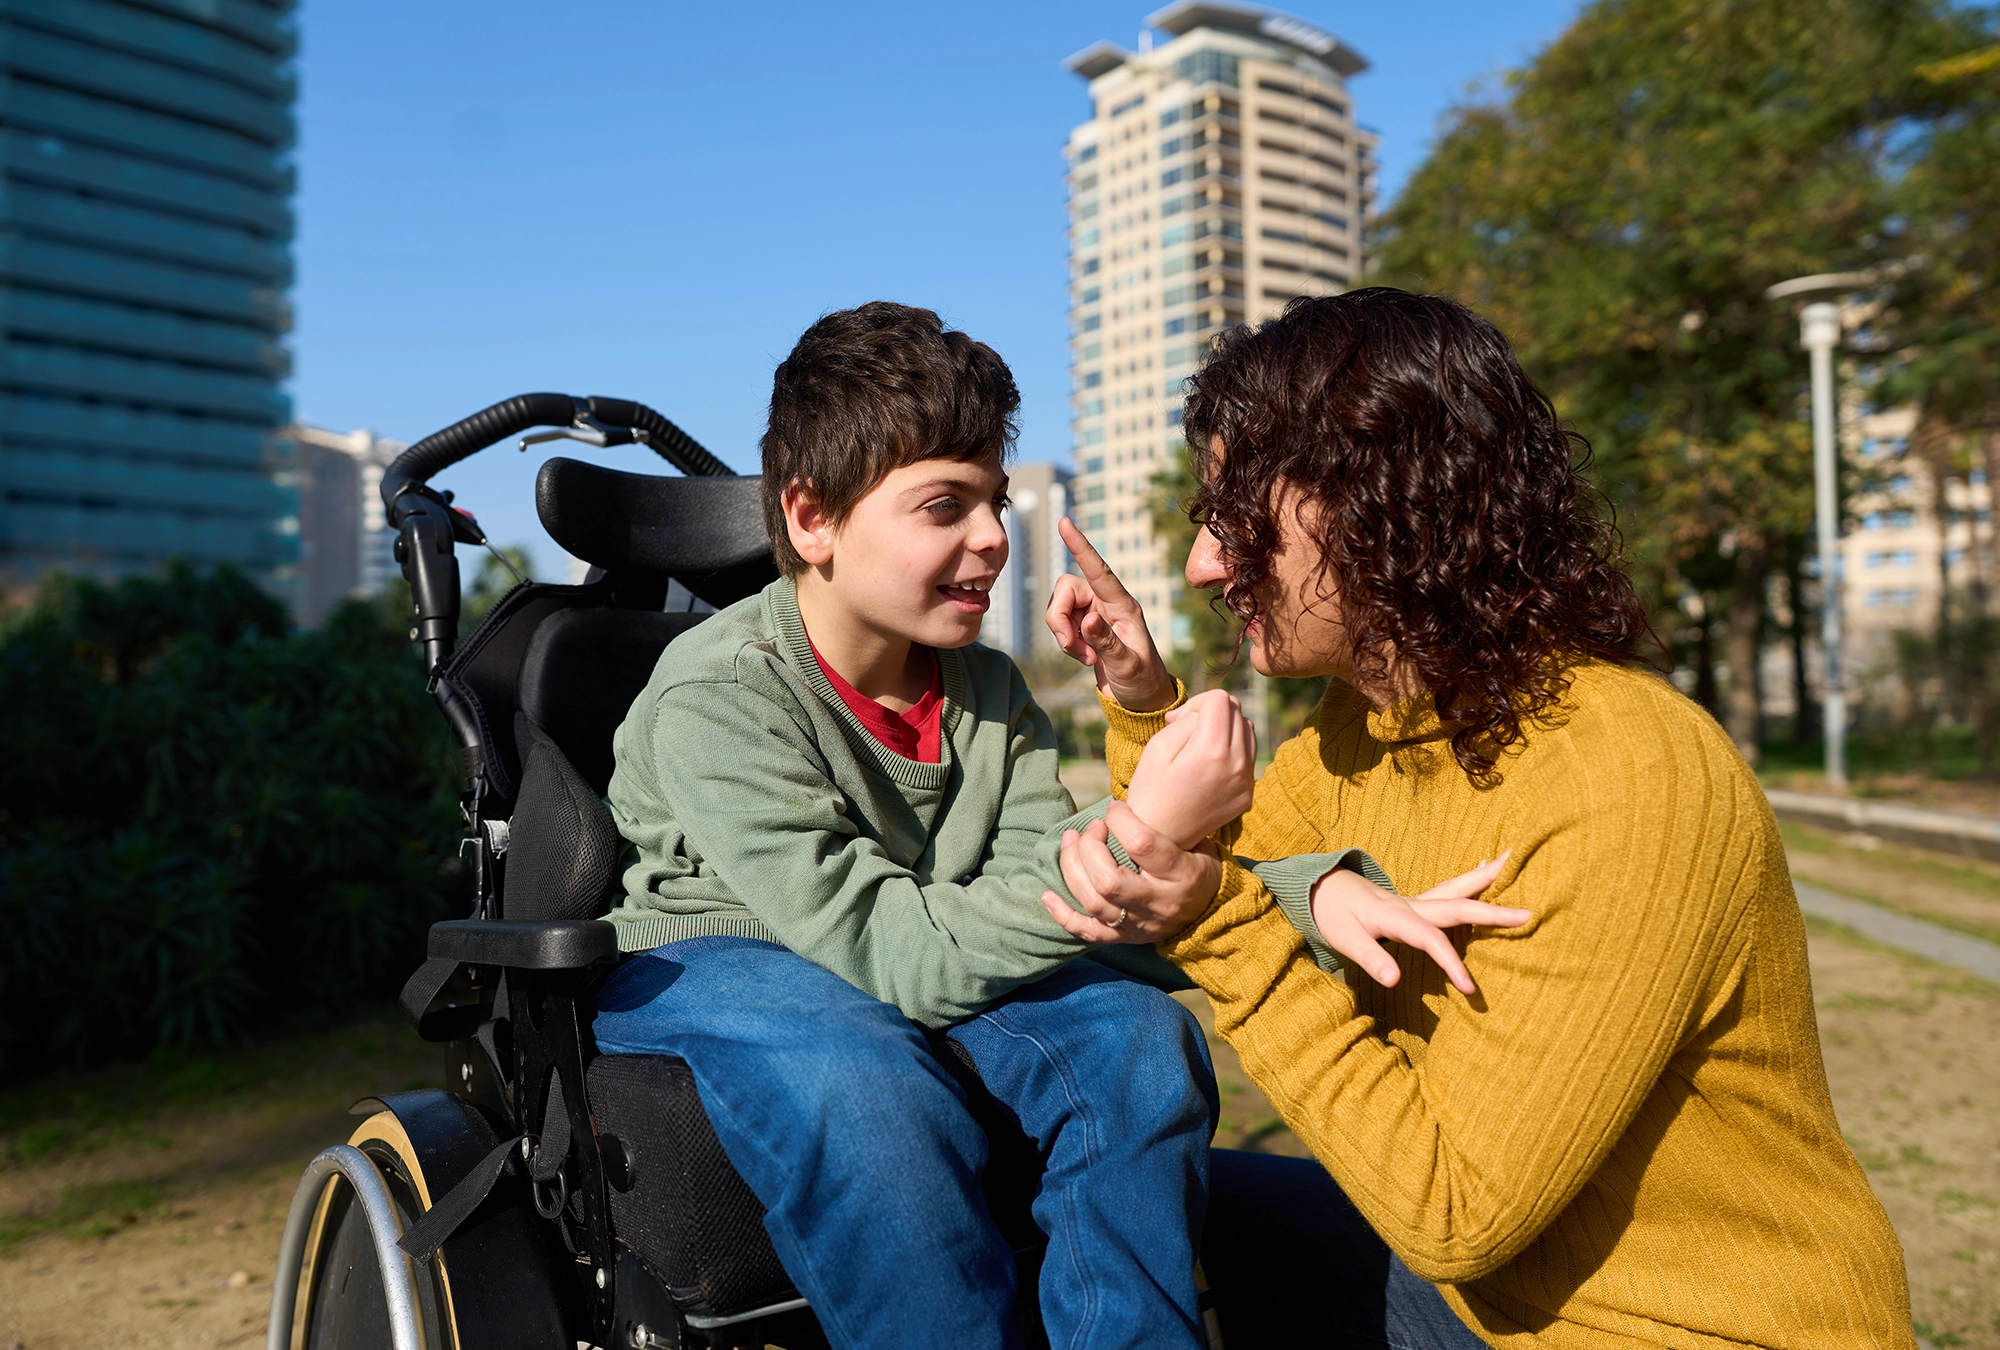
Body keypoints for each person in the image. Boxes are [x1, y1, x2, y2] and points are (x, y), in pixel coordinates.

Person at [1041, 289, 1915, 1348]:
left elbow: (1458, 1215)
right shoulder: (1357, 733)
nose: (1204, 566)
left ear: (1382, 501)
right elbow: (1210, 848)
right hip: (1488, 1307)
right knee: (1117, 1199)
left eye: (1237, 524)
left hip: (1684, 1328)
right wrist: (1143, 707)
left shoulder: (1624, 772)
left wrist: (1222, 924)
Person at [589, 301, 1252, 1349]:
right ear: (810, 520)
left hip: (917, 942)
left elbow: (1036, 882)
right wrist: (1137, 836)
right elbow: (903, 954)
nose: (992, 535)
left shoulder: (986, 689)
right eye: (943, 506)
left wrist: (1304, 894)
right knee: (866, 1094)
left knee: (1135, 1044)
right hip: (722, 955)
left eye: (992, 500)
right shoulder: (715, 698)